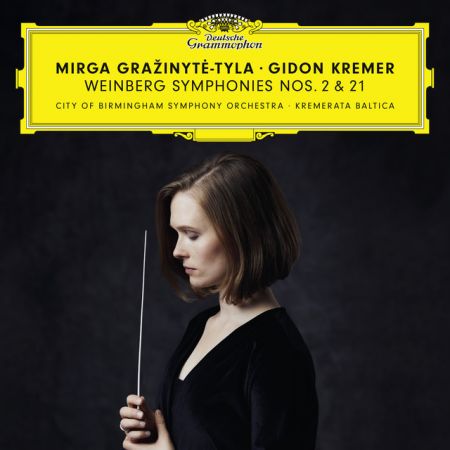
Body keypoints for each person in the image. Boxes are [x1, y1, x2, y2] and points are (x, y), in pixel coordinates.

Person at [119, 153, 318, 450]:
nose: (176, 251)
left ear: (243, 235)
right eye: (176, 234)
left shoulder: (277, 353)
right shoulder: (200, 325)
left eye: (192, 235)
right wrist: (155, 432)